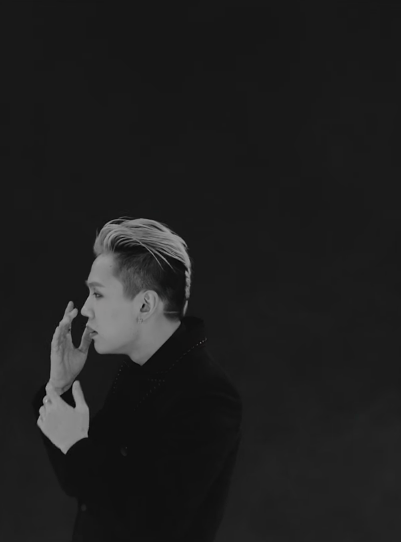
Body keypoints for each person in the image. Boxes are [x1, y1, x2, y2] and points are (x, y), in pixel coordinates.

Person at [33, 217, 243, 542]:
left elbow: (153, 524)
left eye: (98, 294)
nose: (85, 309)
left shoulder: (209, 395)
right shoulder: (140, 370)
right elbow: (81, 483)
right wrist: (59, 386)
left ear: (145, 305)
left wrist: (77, 445)